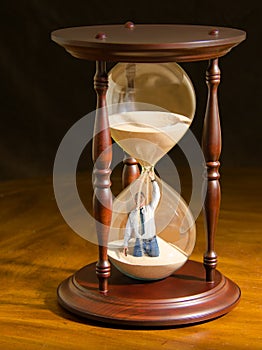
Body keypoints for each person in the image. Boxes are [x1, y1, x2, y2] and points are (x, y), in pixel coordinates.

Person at [123, 171, 160, 257]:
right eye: (137, 199)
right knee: (136, 256)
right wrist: (125, 244)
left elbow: (157, 195)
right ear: (135, 201)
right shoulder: (132, 214)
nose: (139, 201)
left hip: (152, 241)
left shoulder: (150, 208)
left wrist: (153, 180)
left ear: (144, 199)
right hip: (139, 242)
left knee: (155, 255)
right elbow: (128, 229)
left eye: (141, 198)